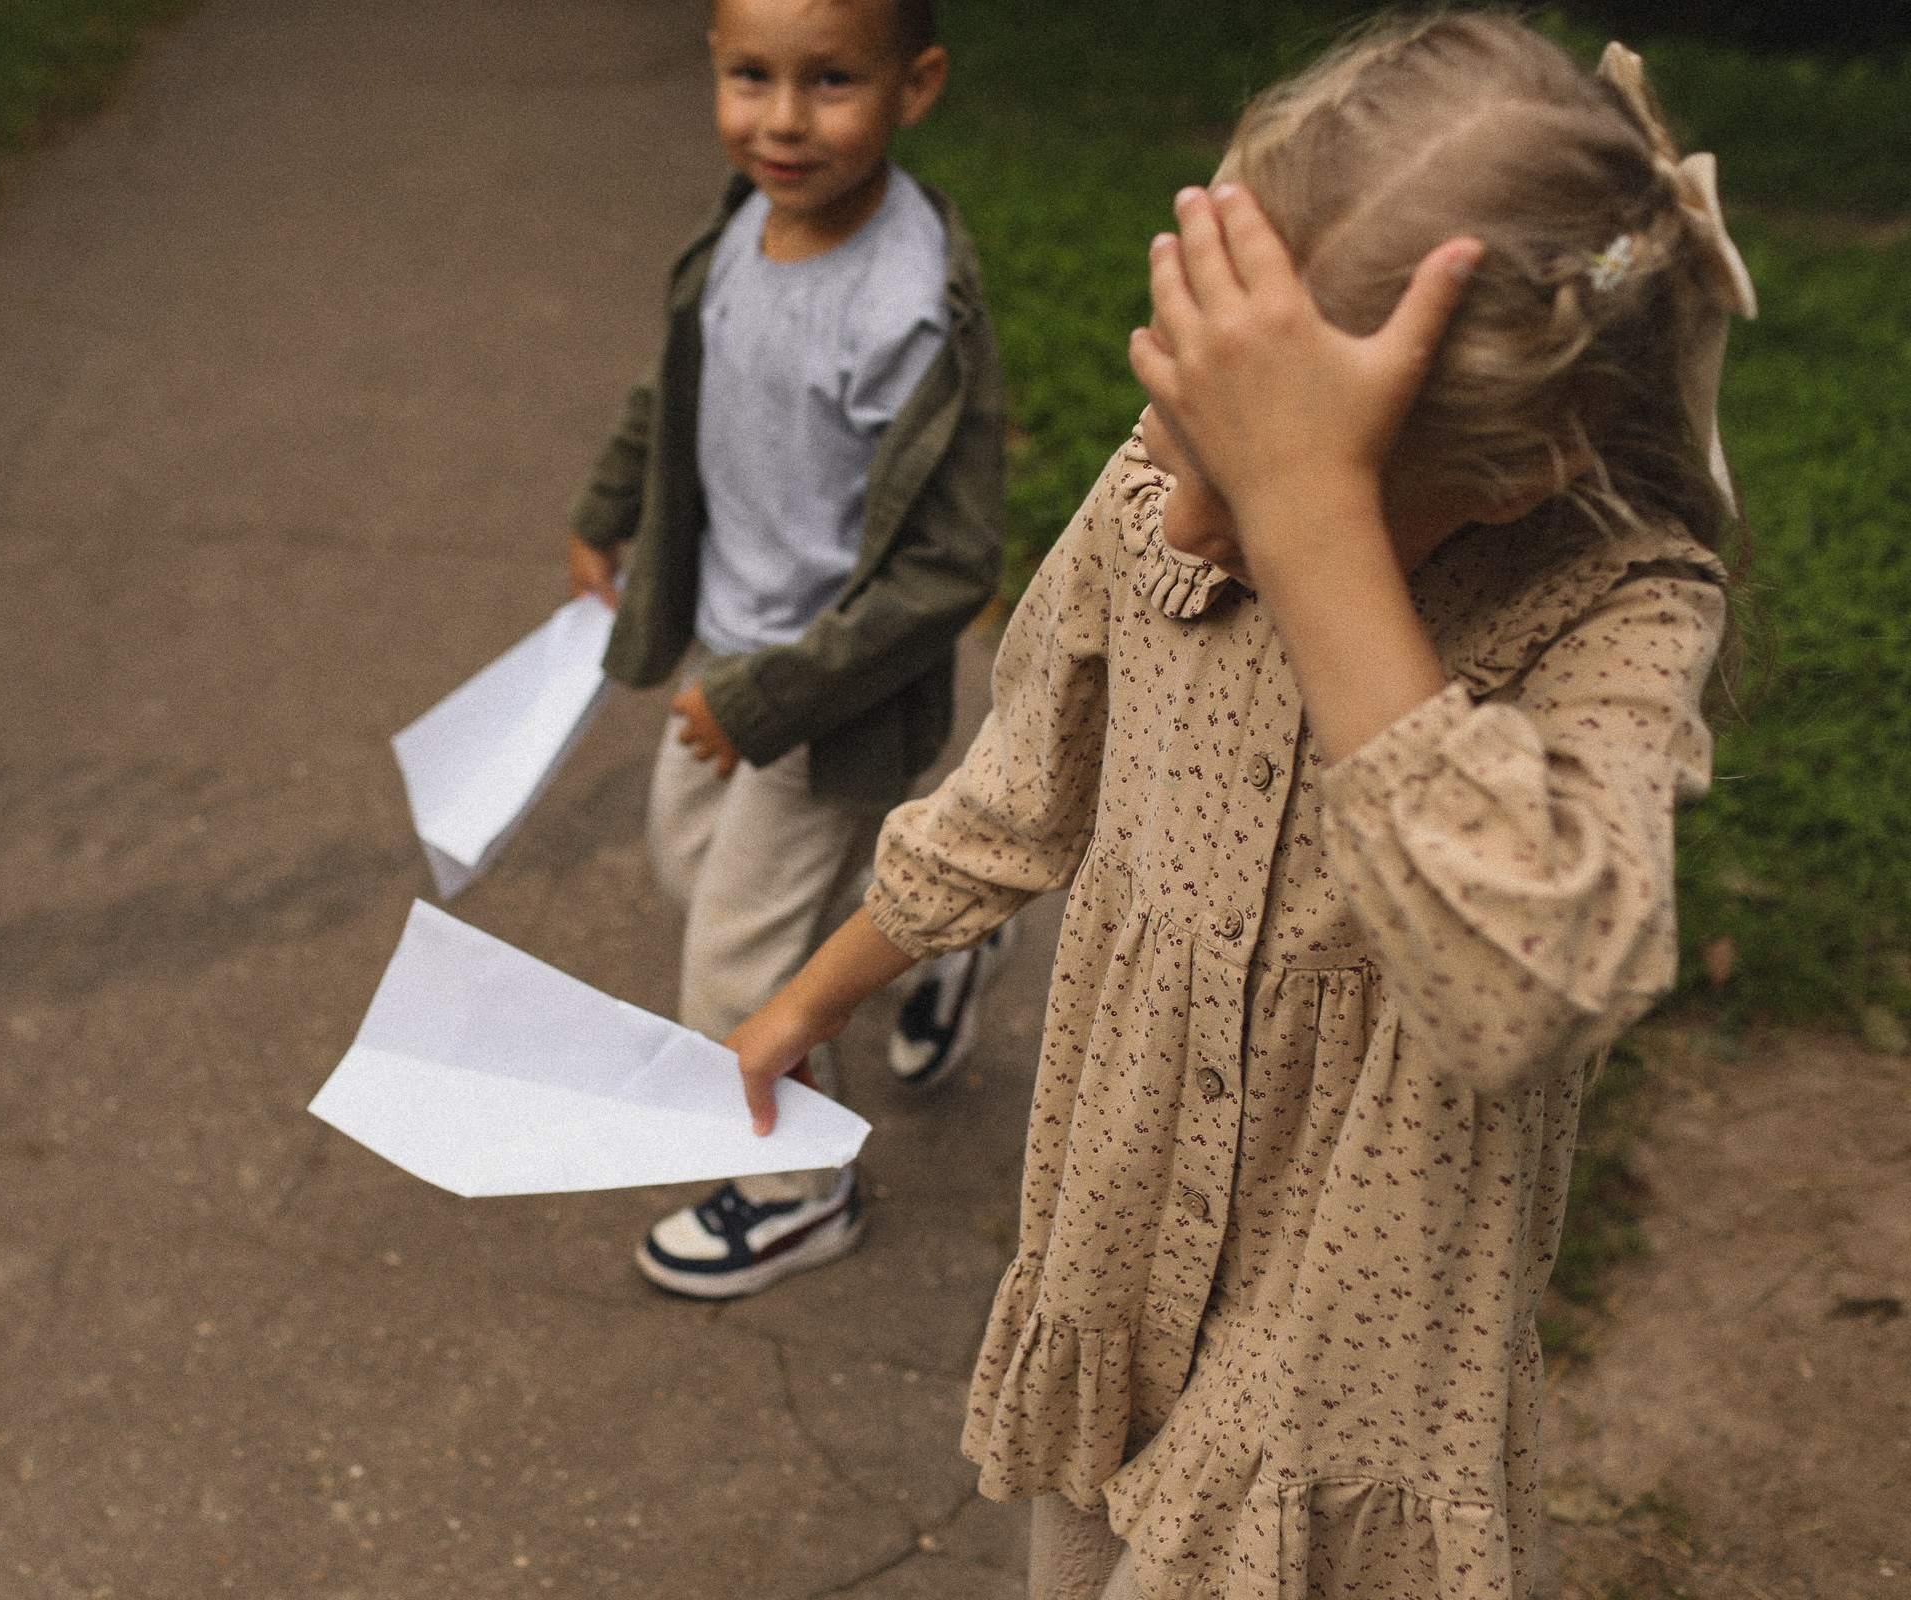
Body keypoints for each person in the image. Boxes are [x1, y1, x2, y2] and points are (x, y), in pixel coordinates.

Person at [720, 15, 1756, 1596]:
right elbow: (1015, 796)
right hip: (1113, 1245)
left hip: (1351, 1356)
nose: (1174, 511)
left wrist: (1312, 528)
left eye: (1247, 473)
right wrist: (807, 995)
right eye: (1173, 407)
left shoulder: (1616, 619)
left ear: (1514, 473)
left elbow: (1527, 987)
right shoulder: (1165, 489)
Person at [565, 0, 1008, 1298]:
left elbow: (947, 564)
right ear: (713, 63)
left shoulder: (909, 309)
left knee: (731, 968)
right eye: (751, 76)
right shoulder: (746, 225)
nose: (781, 119)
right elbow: (678, 379)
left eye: (830, 82)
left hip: (825, 697)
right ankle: (943, 921)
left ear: (914, 84)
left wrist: (765, 700)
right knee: (682, 865)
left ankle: (802, 1190)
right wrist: (608, 501)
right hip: (733, 661)